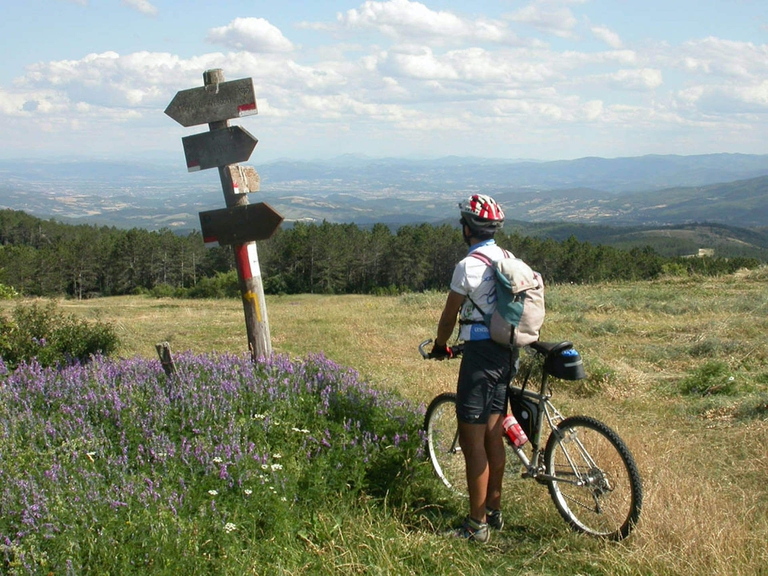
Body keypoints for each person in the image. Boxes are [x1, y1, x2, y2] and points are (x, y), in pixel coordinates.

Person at [430, 193, 518, 544]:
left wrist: (440, 346)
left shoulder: (468, 266)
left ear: (468, 229)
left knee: (472, 440)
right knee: (493, 433)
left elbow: (449, 316)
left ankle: (475, 525)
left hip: (480, 357)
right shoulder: (507, 257)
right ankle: (493, 510)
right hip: (508, 353)